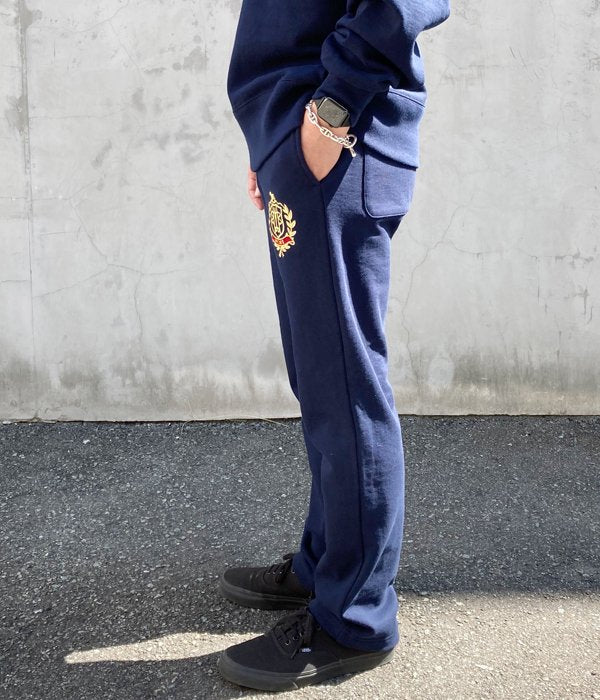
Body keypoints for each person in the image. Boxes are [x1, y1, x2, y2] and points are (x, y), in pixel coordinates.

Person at [217, 0, 450, 691]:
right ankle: (326, 565)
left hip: (337, 150)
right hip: (303, 149)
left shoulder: (329, 128)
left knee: (345, 389)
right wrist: (274, 142)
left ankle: (354, 617)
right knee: (321, 379)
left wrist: (327, 116)